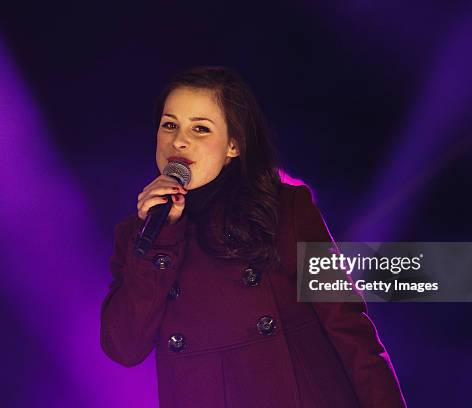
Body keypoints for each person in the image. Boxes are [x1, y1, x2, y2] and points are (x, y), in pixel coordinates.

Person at [100, 66, 406, 407]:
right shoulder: (139, 234)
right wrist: (159, 241)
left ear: (234, 144)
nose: (179, 141)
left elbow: (348, 327)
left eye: (200, 128)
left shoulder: (286, 207)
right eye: (169, 125)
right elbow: (124, 348)